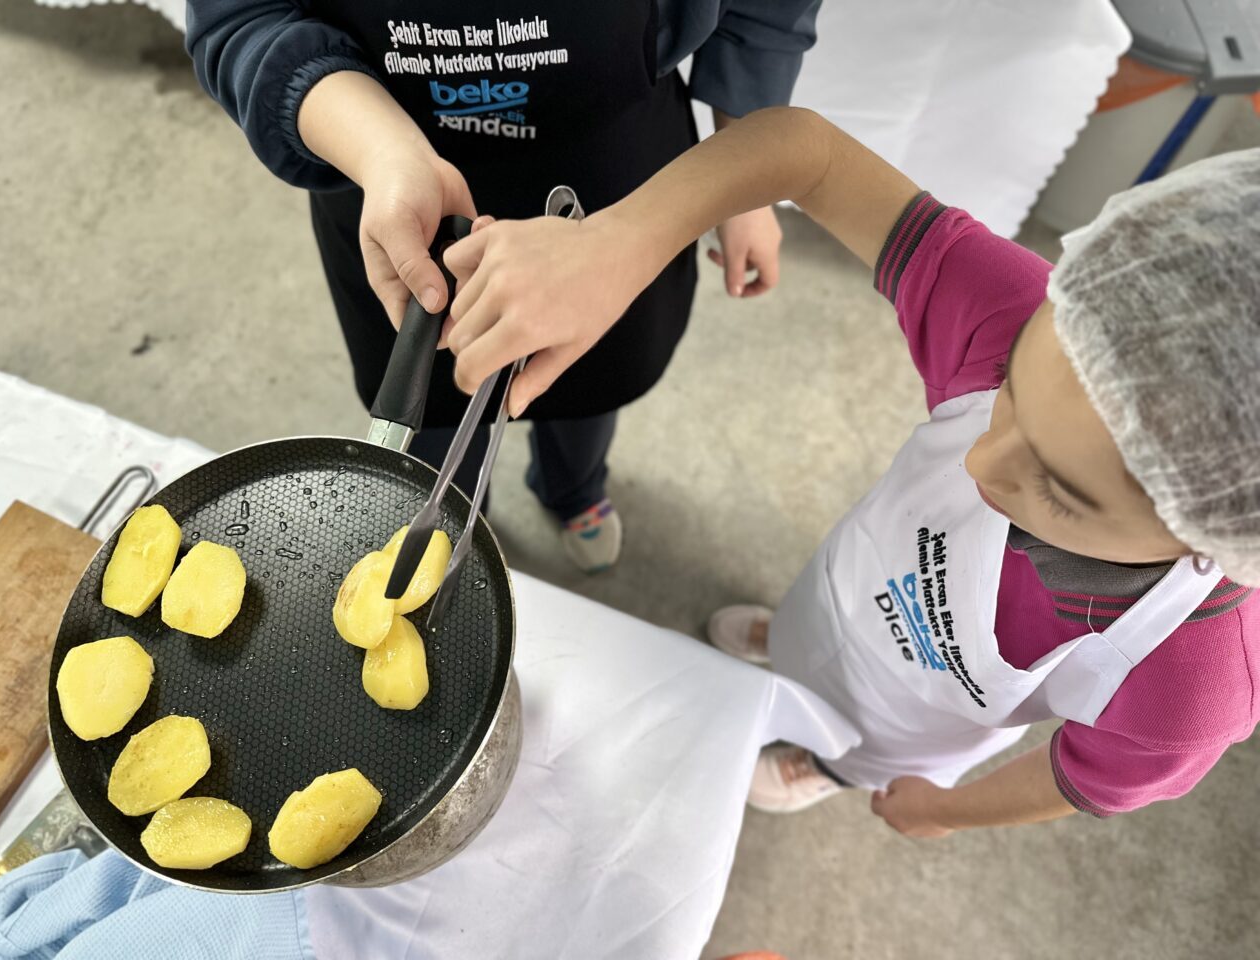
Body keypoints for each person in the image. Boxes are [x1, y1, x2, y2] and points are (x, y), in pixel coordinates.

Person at [436, 108, 1259, 832]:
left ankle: (818, 766)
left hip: (916, 723)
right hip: (856, 580)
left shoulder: (1191, 680)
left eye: (1059, 490)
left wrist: (939, 810)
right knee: (810, 625)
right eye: (1010, 398)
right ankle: (784, 643)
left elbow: (1084, 780)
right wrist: (624, 240)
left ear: (1211, 535)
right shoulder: (1011, 312)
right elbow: (809, 154)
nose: (980, 459)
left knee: (855, 743)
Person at [184, 1, 819, 573]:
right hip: (394, 183)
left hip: (616, 183)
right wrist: (383, 153)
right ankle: (451, 511)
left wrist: (745, 177)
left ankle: (573, 488)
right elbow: (240, 17)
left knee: (586, 384)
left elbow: (763, 9)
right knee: (425, 407)